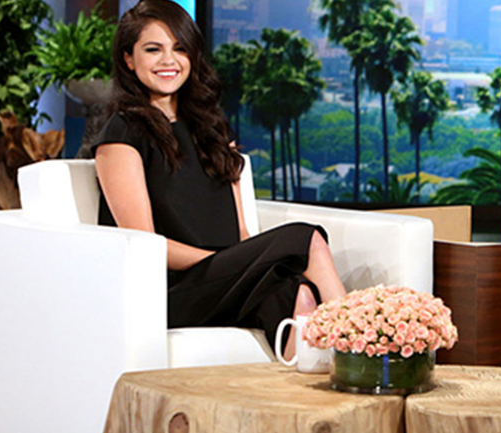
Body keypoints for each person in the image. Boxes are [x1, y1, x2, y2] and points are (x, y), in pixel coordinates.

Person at [94, 0, 346, 361]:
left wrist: (245, 265)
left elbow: (240, 229)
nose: (169, 60)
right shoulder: (122, 134)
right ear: (128, 59)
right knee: (307, 238)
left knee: (297, 293)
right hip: (173, 289)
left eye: (180, 48)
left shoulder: (211, 130)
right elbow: (144, 244)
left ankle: (305, 385)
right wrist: (229, 263)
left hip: (225, 278)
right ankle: (362, 347)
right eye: (153, 50)